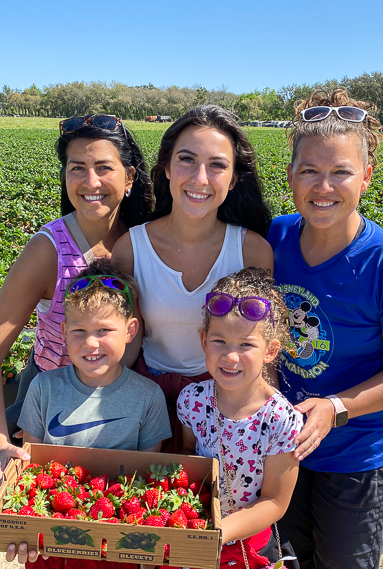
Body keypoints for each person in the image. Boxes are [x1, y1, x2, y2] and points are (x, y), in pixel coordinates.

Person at [269, 90, 383, 569]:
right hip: (282, 448)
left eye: (341, 171)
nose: (323, 186)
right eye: (309, 170)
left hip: (357, 460)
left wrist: (336, 407)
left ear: (365, 175)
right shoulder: (273, 239)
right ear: (290, 175)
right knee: (286, 565)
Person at [0, 114, 153, 487]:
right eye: (77, 168)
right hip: (51, 405)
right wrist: (1, 442)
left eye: (104, 167)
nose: (91, 182)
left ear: (130, 178)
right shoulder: (49, 250)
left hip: (126, 399)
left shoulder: (147, 241)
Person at [112, 105, 274, 452]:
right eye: (187, 159)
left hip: (223, 399)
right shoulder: (130, 248)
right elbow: (128, 340)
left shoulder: (252, 251)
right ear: (167, 168)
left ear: (233, 180)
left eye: (217, 165)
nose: (200, 178)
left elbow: (260, 338)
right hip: (148, 397)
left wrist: (269, 414)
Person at [3, 260, 171, 569]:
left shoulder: (148, 397)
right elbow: (30, 470)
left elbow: (148, 481)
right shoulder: (44, 388)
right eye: (79, 330)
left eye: (104, 330)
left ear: (130, 330)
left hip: (116, 547)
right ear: (64, 332)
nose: (91, 343)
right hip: (51, 541)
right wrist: (20, 524)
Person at [167, 268, 301, 569]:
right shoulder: (192, 400)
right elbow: (189, 453)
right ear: (204, 341)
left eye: (246, 345)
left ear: (270, 351)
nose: (230, 356)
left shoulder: (281, 418)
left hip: (247, 549)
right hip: (196, 535)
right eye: (220, 341)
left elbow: (274, 502)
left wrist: (219, 532)